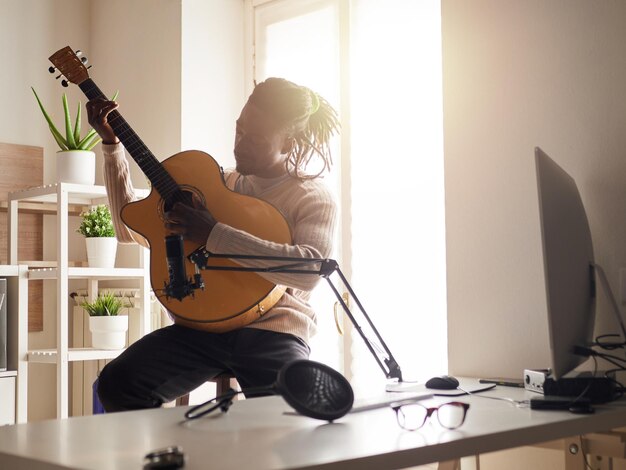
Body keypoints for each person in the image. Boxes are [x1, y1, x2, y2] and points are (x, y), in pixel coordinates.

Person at [86, 78, 340, 412]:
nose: (240, 144)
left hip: (273, 330)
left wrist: (214, 233)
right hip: (201, 328)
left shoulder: (312, 196)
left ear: (288, 143)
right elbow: (127, 228)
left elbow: (309, 271)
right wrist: (111, 146)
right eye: (240, 130)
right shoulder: (219, 184)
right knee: (117, 383)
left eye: (256, 138)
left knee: (293, 414)